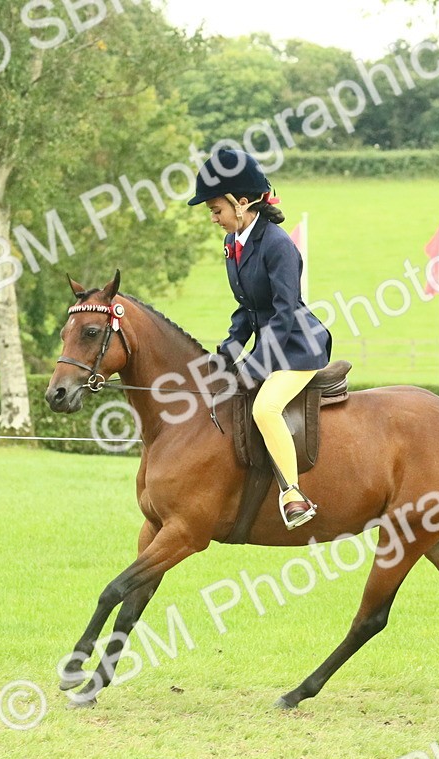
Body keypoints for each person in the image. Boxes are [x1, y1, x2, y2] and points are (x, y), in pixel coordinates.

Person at [187, 149, 332, 529]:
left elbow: (283, 314)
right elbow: (246, 312)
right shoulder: (233, 243)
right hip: (269, 343)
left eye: (217, 210)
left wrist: (254, 365)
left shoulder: (278, 245)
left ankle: (293, 495)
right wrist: (225, 355)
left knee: (264, 408)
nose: (214, 218)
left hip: (298, 347)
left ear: (243, 202)